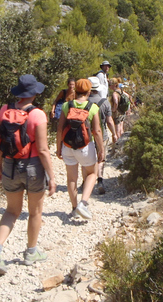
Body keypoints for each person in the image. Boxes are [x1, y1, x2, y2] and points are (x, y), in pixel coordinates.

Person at [0, 74, 56, 275]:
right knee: (35, 212)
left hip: (10, 164)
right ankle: (31, 252)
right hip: (33, 166)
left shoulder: (5, 110)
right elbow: (43, 150)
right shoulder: (38, 115)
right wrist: (52, 177)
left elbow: (0, 142)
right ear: (35, 93)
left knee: (11, 211)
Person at [56, 78, 105, 219]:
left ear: (75, 90)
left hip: (68, 146)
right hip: (85, 147)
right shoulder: (93, 107)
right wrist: (101, 149)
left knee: (71, 178)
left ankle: (73, 208)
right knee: (92, 174)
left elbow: (60, 129)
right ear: (89, 92)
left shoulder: (67, 105)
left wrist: (58, 147)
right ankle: (83, 204)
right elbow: (97, 131)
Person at [88, 76, 116, 195]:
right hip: (102, 134)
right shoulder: (104, 102)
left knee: (88, 159)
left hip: (86, 136)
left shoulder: (83, 102)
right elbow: (109, 121)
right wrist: (114, 133)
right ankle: (100, 180)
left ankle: (86, 181)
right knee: (101, 158)